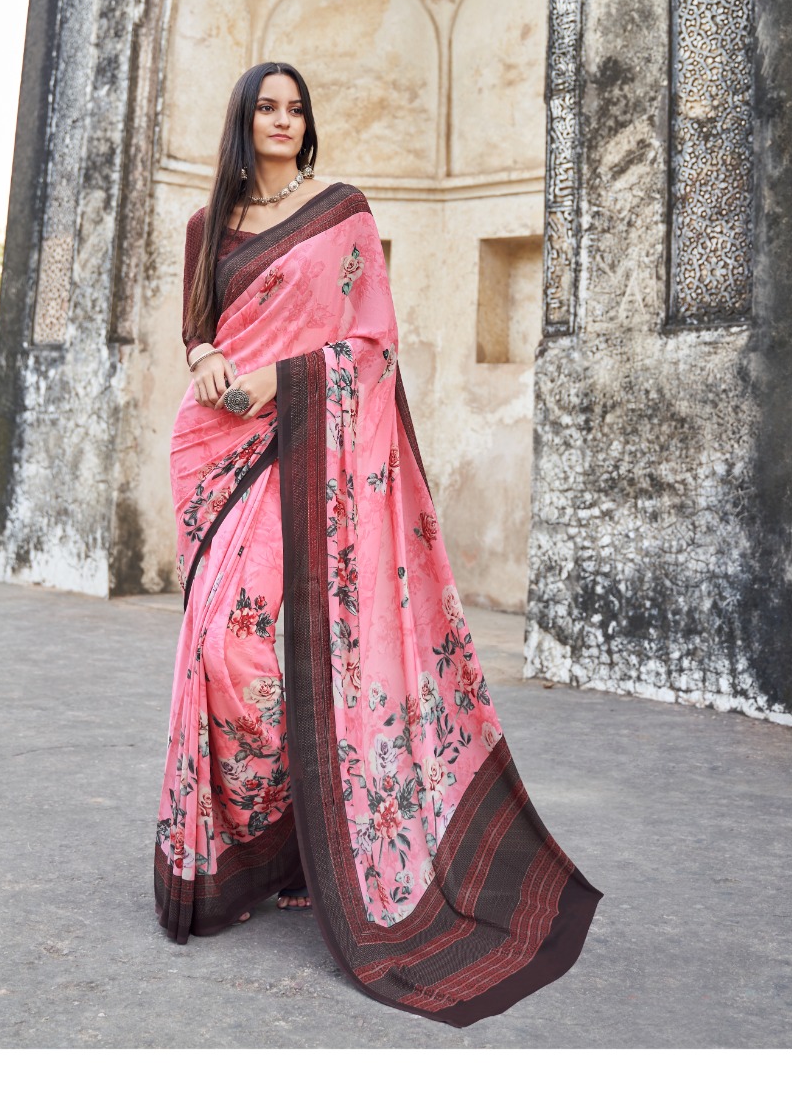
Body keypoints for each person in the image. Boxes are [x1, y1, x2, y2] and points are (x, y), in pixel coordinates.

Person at [154, 61, 603, 1027]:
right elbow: (195, 327)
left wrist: (279, 380)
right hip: (216, 450)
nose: (282, 120)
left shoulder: (341, 214)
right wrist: (208, 356)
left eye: (294, 108)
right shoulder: (206, 225)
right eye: (265, 108)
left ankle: (312, 840)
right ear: (242, 121)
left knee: (266, 653)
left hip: (301, 442)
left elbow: (369, 344)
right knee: (218, 653)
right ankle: (262, 851)